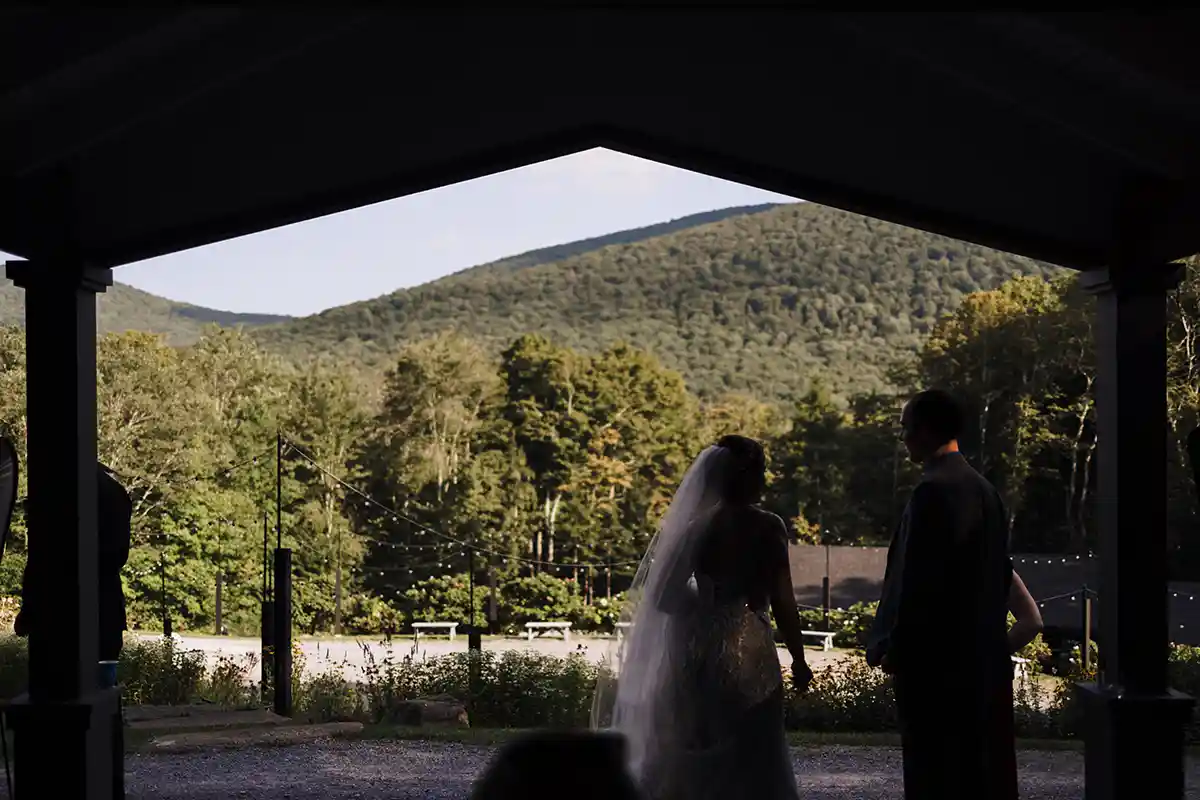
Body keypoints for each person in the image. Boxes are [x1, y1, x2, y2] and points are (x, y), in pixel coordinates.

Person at [593, 435, 813, 800]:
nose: (764, 478)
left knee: (702, 742)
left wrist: (707, 606)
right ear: (747, 476)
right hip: (749, 648)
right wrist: (799, 659)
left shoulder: (695, 527)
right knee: (754, 747)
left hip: (700, 650)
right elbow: (783, 599)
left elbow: (662, 597)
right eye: (761, 470)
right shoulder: (768, 526)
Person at [865, 389, 1015, 800]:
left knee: (933, 775)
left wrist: (895, 647)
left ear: (927, 430)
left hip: (935, 673)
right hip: (980, 668)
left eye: (907, 428)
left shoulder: (933, 491)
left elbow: (919, 584)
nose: (903, 438)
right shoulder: (985, 491)